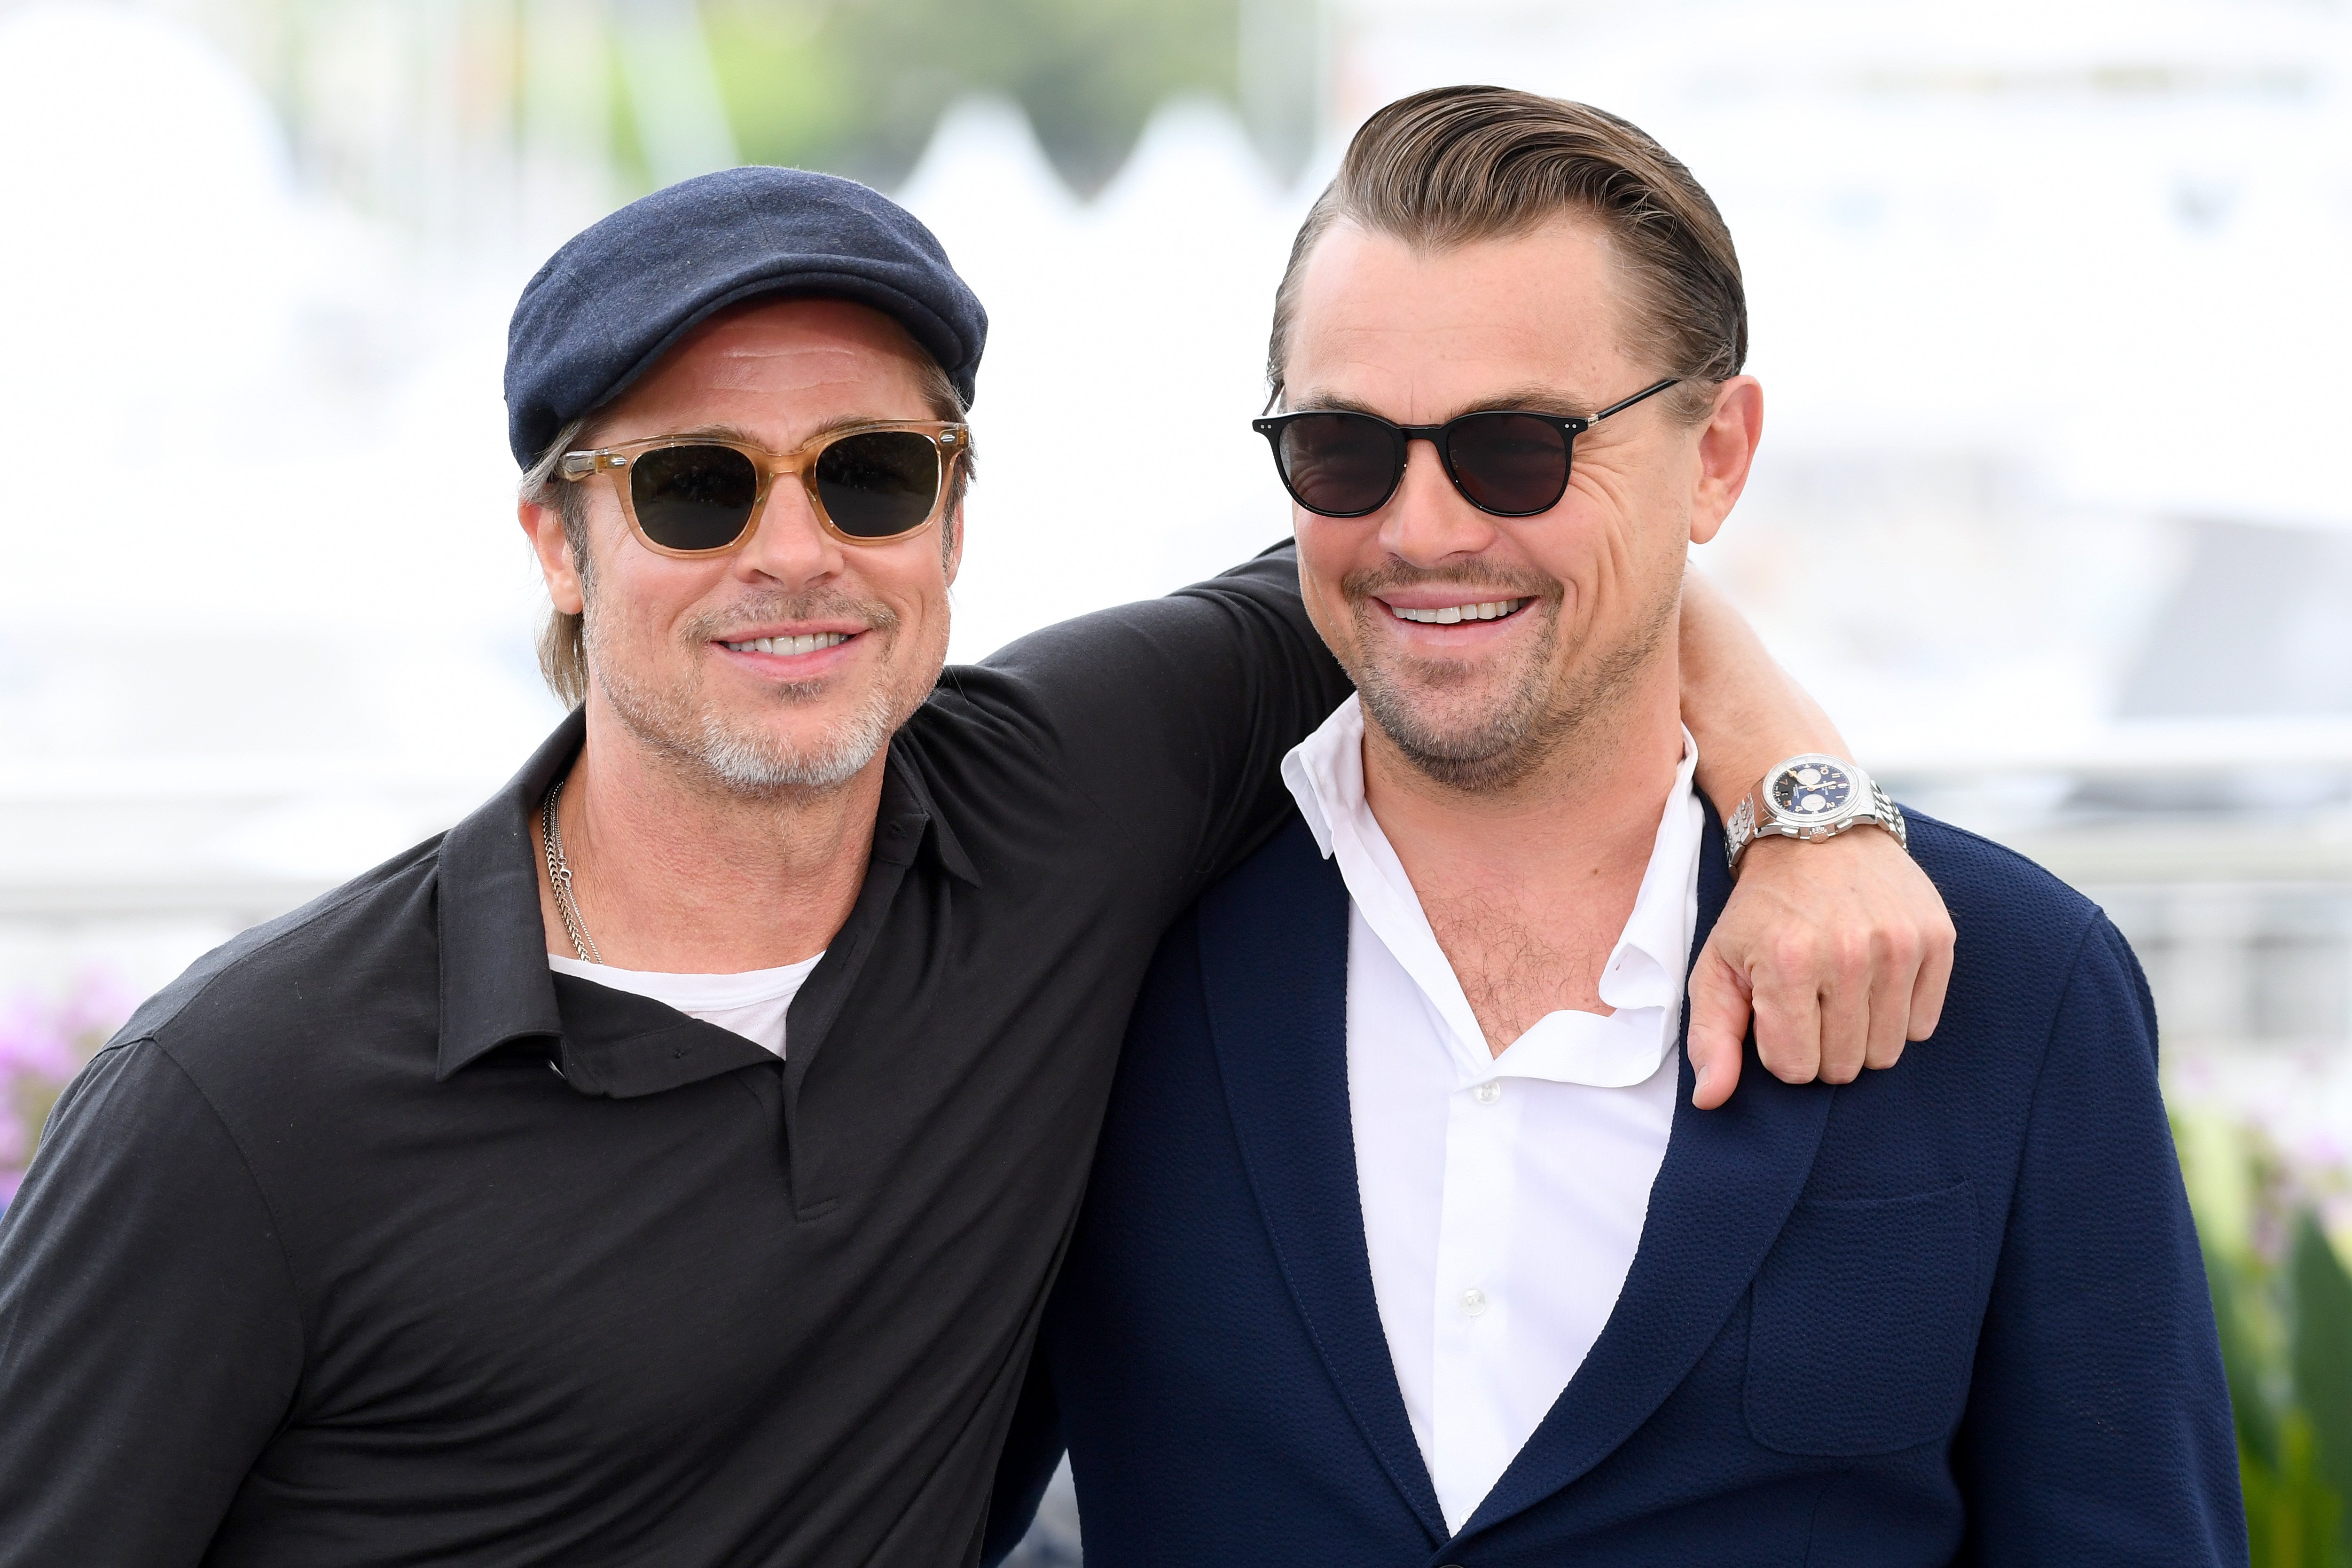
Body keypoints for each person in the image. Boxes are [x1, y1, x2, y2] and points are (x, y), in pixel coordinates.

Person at [0, 166, 1952, 1567]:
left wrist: (1804, 802)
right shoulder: (248, 1102)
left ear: (951, 516)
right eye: (693, 487)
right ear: (554, 546)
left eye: (871, 475)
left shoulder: (1064, 797)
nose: (798, 552)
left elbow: (1476, 570)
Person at [987, 87, 2244, 1566]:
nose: (1422, 528)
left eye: (1515, 448)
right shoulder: (1112, 957)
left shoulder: (2014, 989)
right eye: (1342, 448)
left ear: (1715, 458)